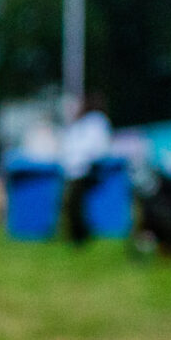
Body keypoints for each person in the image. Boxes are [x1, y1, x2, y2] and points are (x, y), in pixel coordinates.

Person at [58, 95, 112, 246]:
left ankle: (78, 237)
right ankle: (77, 236)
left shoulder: (91, 122)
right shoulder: (94, 122)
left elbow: (94, 147)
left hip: (80, 168)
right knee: (73, 205)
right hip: (80, 168)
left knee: (73, 205)